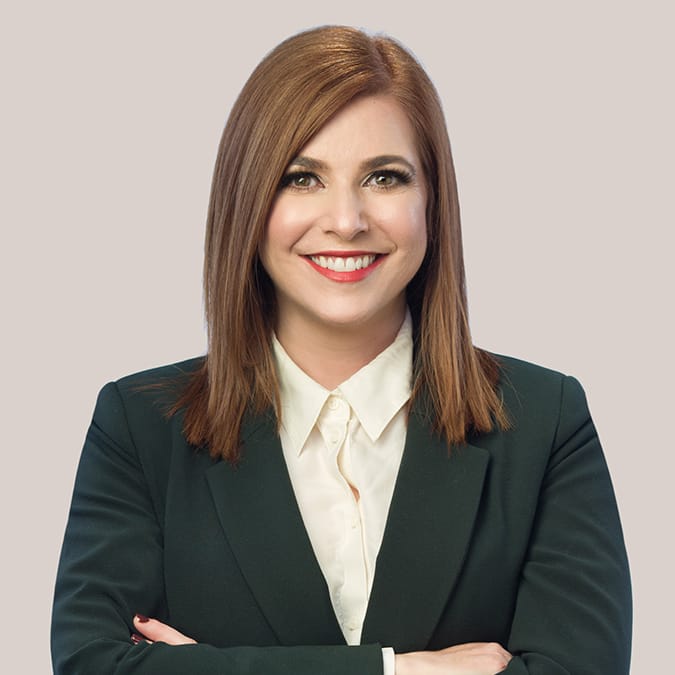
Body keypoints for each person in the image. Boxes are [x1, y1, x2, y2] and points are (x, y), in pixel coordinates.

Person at [51, 25, 632, 675]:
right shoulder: (140, 427)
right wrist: (401, 670)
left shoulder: (545, 421)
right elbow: (92, 664)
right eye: (302, 178)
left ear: (432, 201)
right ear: (247, 199)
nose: (347, 220)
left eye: (384, 177)